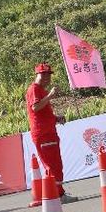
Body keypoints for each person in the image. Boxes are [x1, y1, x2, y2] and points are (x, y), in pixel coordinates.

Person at [26, 64, 76, 203]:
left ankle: (57, 193)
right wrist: (50, 96)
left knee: (55, 164)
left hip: (48, 132)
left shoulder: (40, 90)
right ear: (37, 75)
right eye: (43, 74)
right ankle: (57, 195)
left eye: (48, 74)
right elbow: (35, 107)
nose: (47, 77)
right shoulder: (34, 89)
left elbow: (42, 113)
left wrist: (55, 119)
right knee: (52, 165)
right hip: (44, 134)